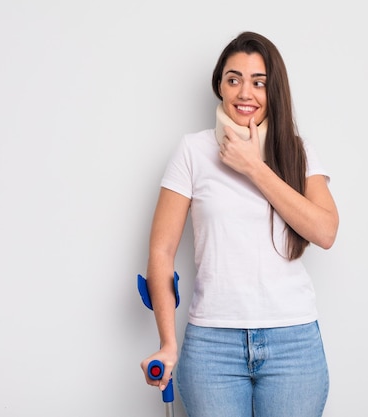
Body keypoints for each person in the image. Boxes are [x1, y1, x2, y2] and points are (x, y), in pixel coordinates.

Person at [140, 31, 339, 417]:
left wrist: (253, 167)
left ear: (273, 91)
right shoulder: (193, 151)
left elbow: (325, 231)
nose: (245, 93)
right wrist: (167, 342)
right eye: (234, 80)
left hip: (293, 342)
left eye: (258, 83)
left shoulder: (298, 152)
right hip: (213, 346)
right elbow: (161, 252)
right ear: (220, 85)